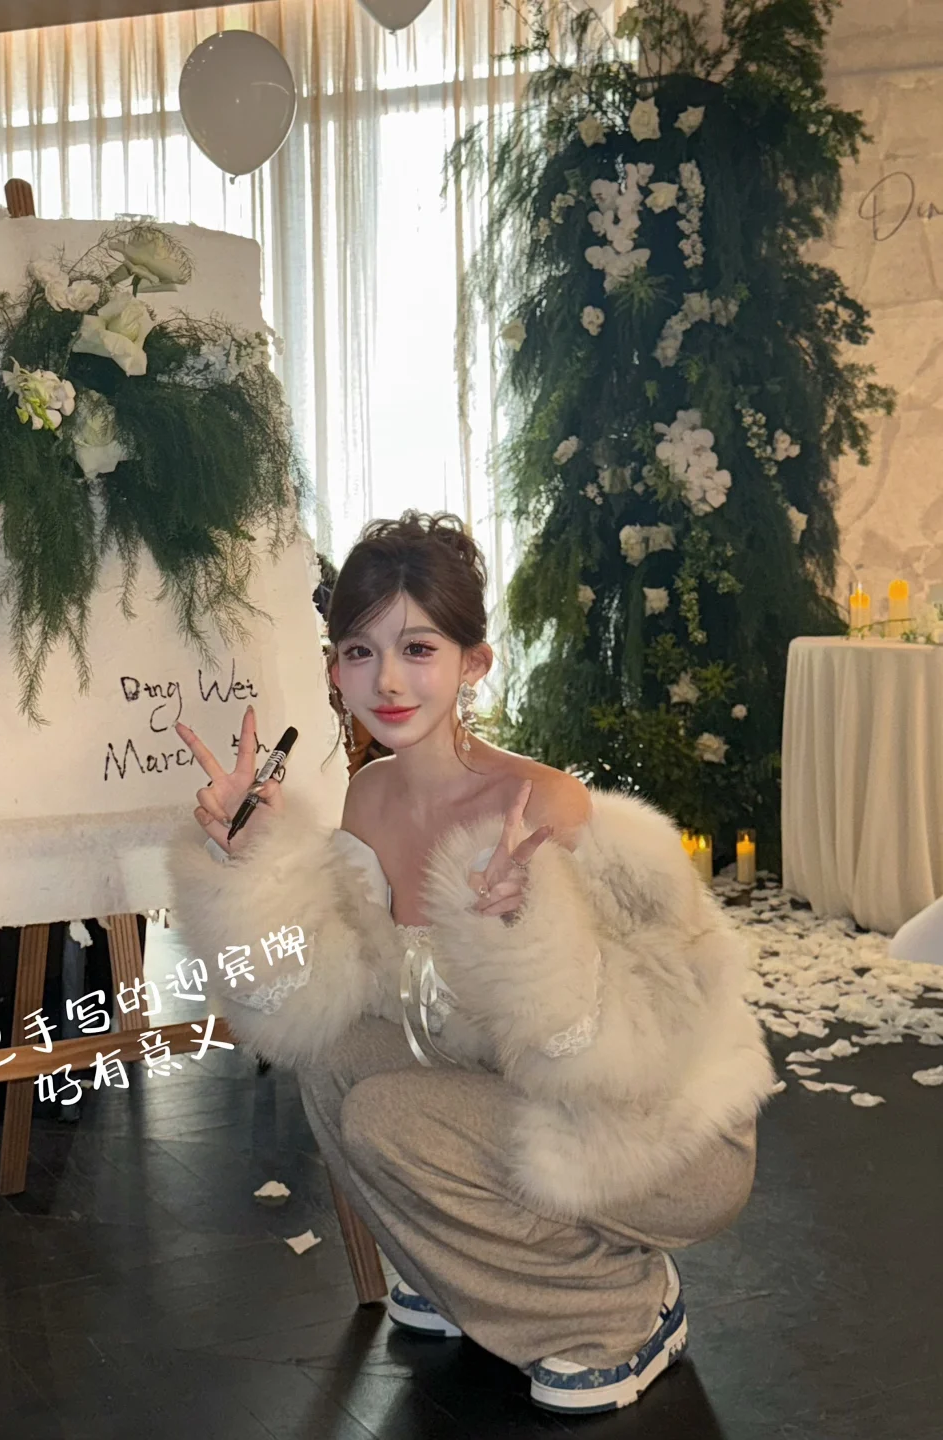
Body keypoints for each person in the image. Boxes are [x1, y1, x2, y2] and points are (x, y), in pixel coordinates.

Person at [167, 510, 775, 1416]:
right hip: (509, 1097)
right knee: (332, 1061)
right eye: (360, 652)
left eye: (418, 649)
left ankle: (622, 1314)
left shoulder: (541, 805)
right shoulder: (369, 799)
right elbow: (316, 994)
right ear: (334, 669)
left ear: (473, 663)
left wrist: (529, 934)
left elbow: (628, 1053)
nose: (388, 680)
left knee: (391, 1117)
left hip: (658, 1128)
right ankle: (465, 1274)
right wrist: (249, 864)